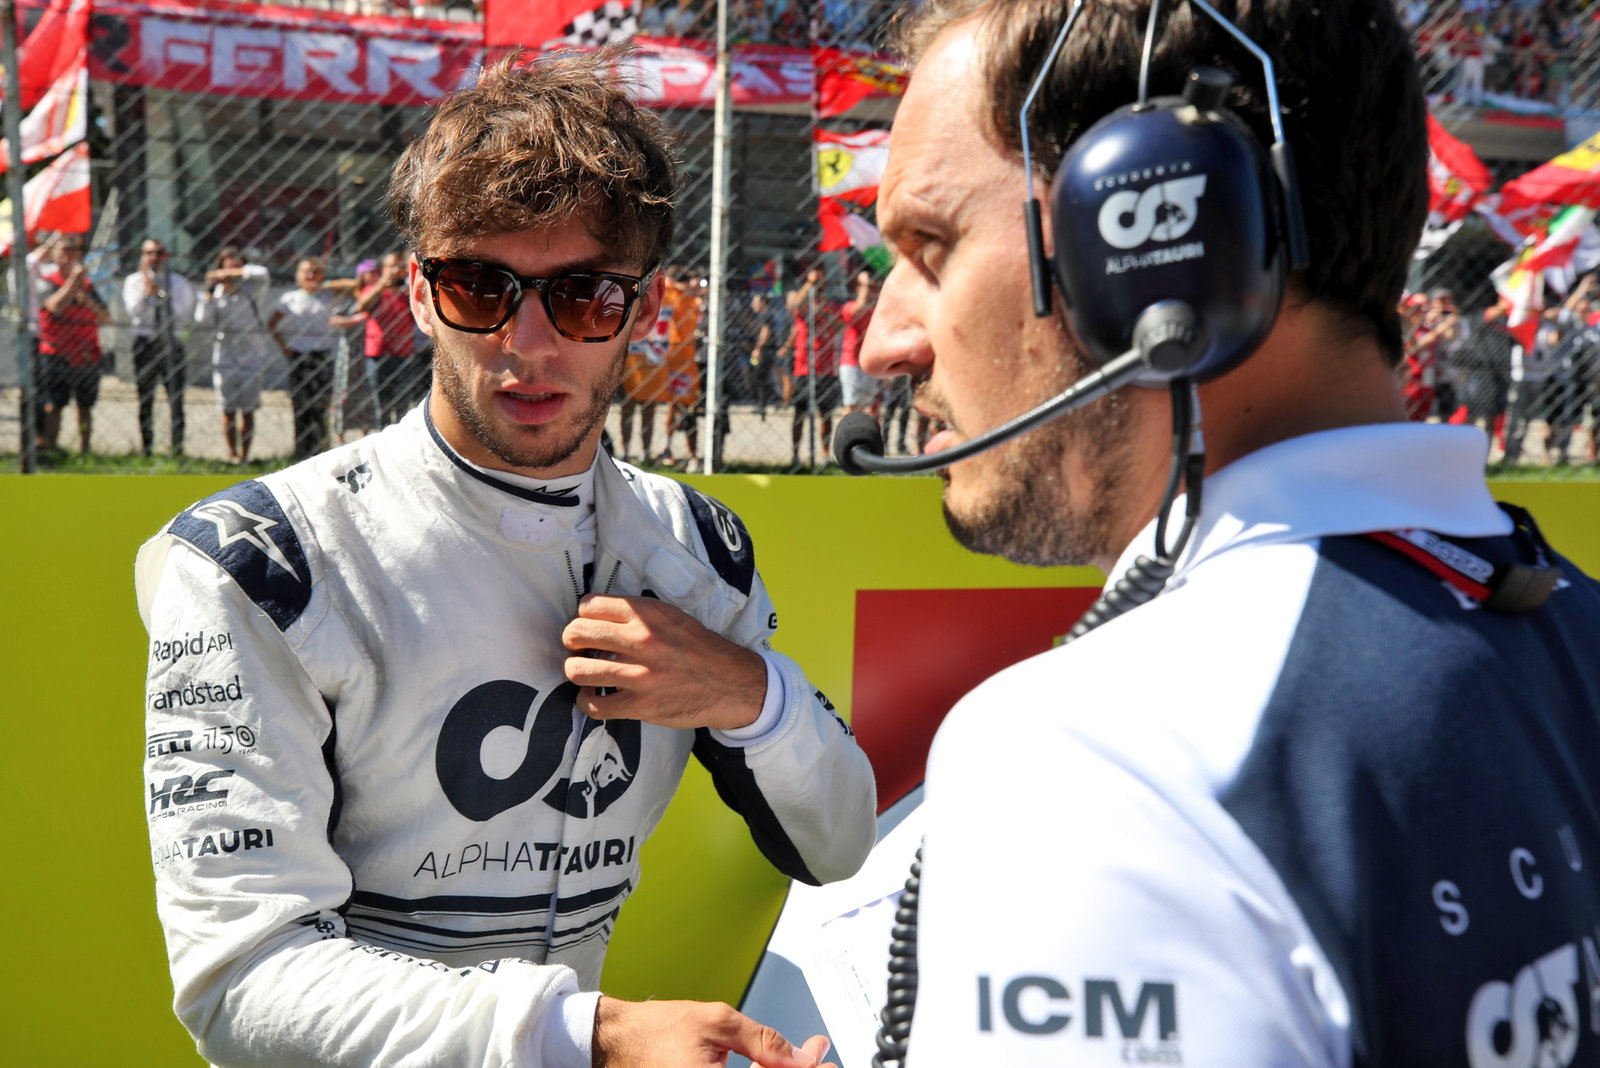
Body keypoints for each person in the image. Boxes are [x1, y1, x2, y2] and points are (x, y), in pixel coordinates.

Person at [851, 1, 1600, 1064]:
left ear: (1161, 240)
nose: (885, 340)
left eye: (931, 246)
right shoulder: (1562, 623)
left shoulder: (1102, 755)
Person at [135, 48, 872, 1068]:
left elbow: (837, 845)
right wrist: (591, 1034)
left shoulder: (698, 548)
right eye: (482, 287)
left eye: (581, 296)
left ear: (643, 312)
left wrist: (751, 694)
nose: (527, 343)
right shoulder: (263, 562)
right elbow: (240, 983)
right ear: (420, 292)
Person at [267, 256, 358, 459]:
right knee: (299, 403)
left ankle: (320, 447)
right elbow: (271, 324)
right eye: (305, 271)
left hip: (321, 355)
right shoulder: (290, 298)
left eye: (314, 271)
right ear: (298, 275)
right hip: (299, 355)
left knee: (321, 403)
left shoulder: (327, 294)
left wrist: (323, 282)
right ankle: (301, 448)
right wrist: (285, 347)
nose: (310, 275)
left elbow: (354, 284)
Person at [30, 232, 110, 455]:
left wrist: (87, 298)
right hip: (57, 352)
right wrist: (74, 281)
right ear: (54, 255)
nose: (70, 255)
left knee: (85, 405)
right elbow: (54, 306)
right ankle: (52, 447)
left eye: (74, 250)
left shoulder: (88, 285)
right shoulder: (46, 282)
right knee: (55, 404)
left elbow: (105, 317)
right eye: (64, 250)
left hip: (86, 353)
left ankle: (85, 449)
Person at [195, 246, 274, 465]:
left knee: (248, 409)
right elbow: (202, 319)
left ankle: (246, 456)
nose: (231, 272)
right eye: (227, 266)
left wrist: (233, 274)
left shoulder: (253, 289)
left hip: (252, 356)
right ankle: (232, 455)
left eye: (237, 266)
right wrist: (209, 292)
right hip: (225, 356)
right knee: (227, 408)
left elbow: (262, 272)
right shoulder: (216, 293)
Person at [123, 237, 198, 456]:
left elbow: (184, 316)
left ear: (166, 256)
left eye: (158, 253)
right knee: (145, 397)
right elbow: (134, 313)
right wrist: (147, 291)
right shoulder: (133, 282)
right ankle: (147, 449)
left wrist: (161, 296)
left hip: (171, 343)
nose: (153, 258)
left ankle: (177, 449)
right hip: (144, 342)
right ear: (142, 256)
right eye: (149, 253)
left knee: (176, 397)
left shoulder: (179, 283)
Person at [356, 249, 424, 426]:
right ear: (383, 269)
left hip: (403, 351)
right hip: (378, 351)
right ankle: (381, 432)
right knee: (381, 401)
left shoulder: (407, 293)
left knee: (403, 400)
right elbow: (361, 306)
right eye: (390, 266)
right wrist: (381, 285)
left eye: (399, 266)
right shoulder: (374, 290)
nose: (395, 270)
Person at [787, 267, 840, 467]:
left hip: (826, 368)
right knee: (799, 413)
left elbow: (838, 326)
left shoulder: (830, 306)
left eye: (820, 282)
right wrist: (809, 284)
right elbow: (795, 304)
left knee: (826, 414)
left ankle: (825, 454)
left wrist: (822, 311)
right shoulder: (803, 305)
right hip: (803, 367)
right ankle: (795, 454)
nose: (819, 286)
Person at [837, 269, 880, 420]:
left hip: (868, 363)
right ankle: (846, 439)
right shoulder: (849, 306)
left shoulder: (875, 311)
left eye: (873, 287)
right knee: (851, 407)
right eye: (868, 287)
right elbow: (858, 308)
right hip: (852, 362)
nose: (871, 291)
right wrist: (864, 283)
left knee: (871, 408)